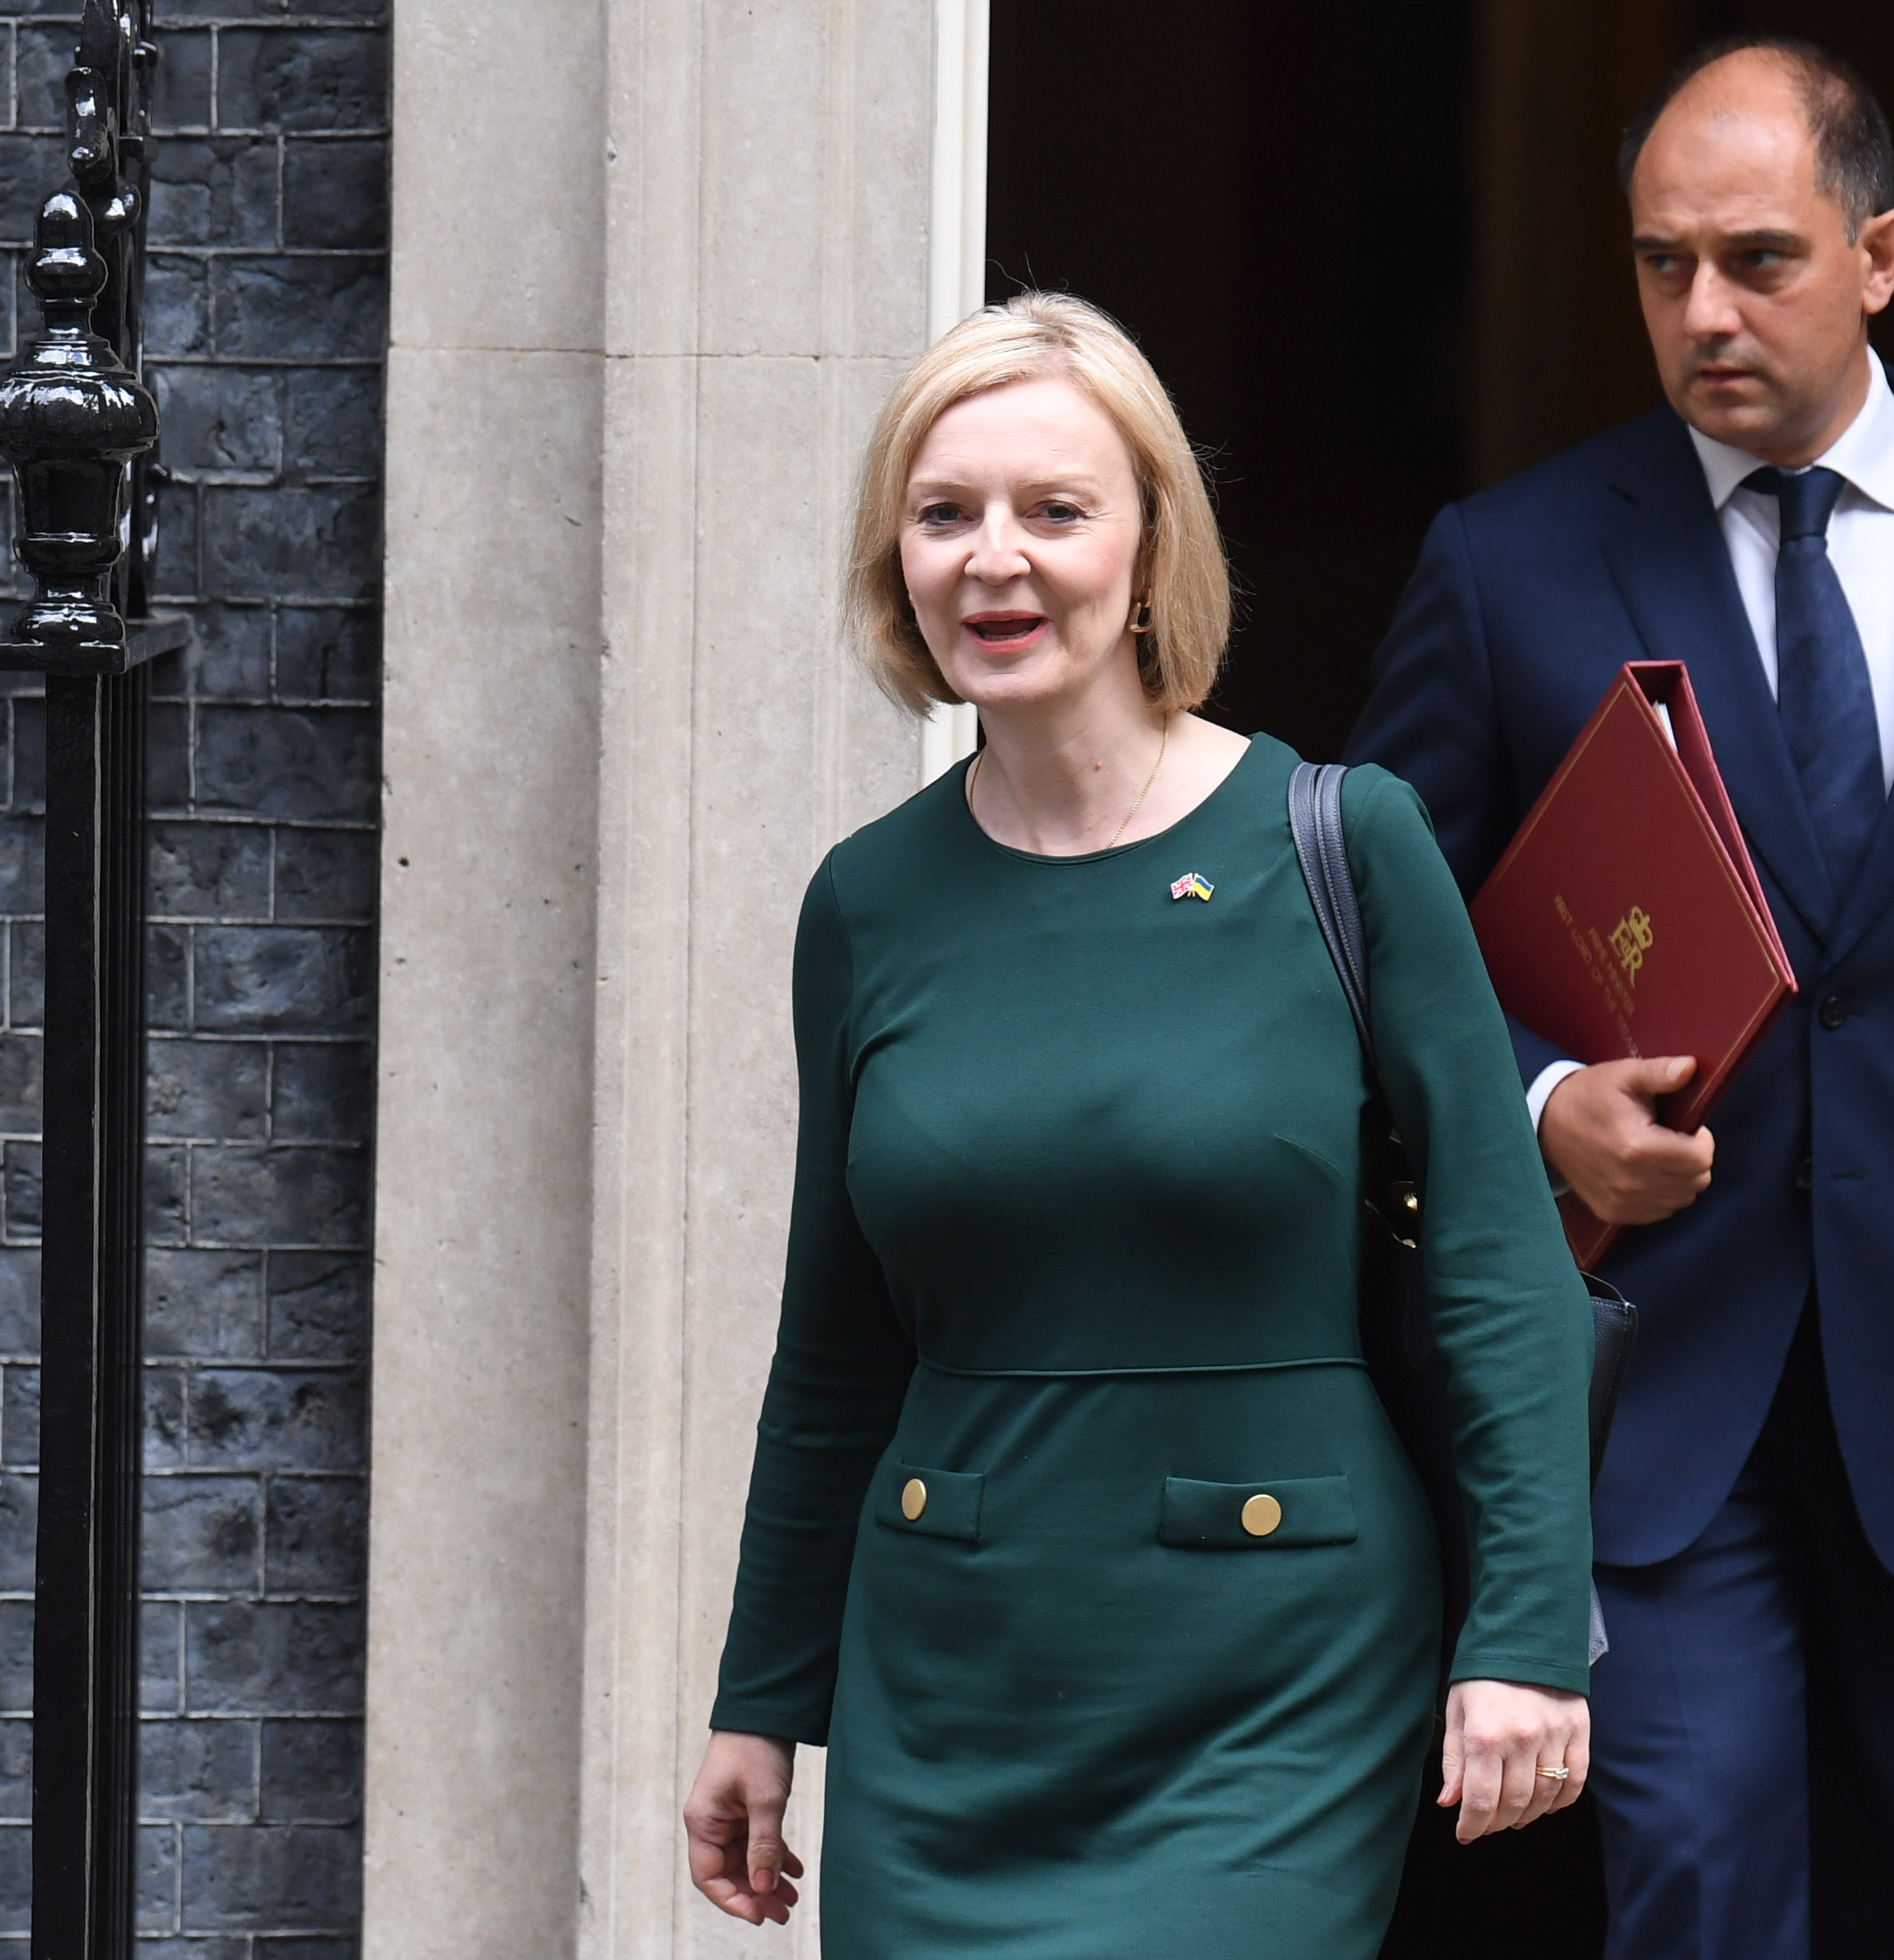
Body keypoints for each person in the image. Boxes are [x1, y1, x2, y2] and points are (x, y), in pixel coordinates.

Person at [1346, 38, 1894, 1960]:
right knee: (1694, 1882)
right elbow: (1364, 936)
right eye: (1662, 263)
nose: (1703, 311)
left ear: (1885, 252)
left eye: (1756, 258)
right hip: (1657, 1363)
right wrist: (1532, 1104)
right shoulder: (1507, 562)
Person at [678, 292, 1594, 1958]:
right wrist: (763, 1697)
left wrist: (1527, 1629)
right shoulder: (868, 903)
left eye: (1053, 509)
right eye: (944, 512)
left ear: (1150, 543)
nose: (993, 560)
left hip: (1276, 1675)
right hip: (943, 1694)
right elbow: (833, 1346)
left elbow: (1494, 1263)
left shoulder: (1344, 842)